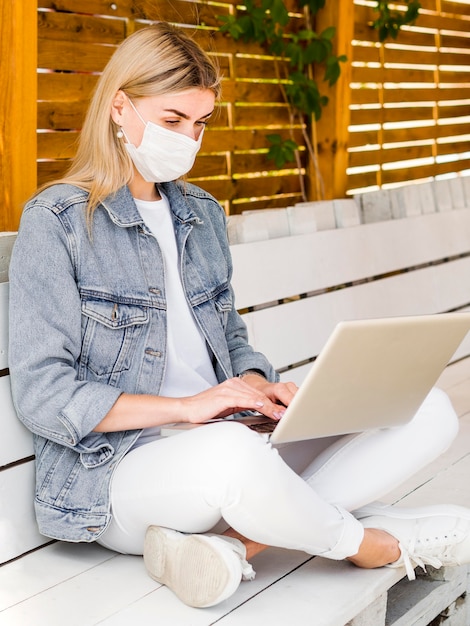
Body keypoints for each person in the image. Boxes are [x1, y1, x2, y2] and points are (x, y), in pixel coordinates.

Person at [8, 22, 470, 610]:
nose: (188, 138)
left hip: (231, 442)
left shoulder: (200, 214)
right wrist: (187, 409)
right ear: (119, 107)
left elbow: (230, 338)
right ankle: (367, 542)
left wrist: (257, 389)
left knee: (426, 411)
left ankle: (232, 546)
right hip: (121, 474)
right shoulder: (60, 222)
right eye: (173, 120)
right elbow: (45, 394)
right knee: (235, 457)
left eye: (200, 124)